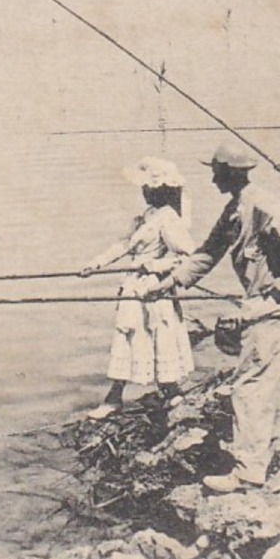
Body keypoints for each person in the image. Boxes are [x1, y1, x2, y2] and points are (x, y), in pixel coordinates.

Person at [154, 144, 280, 493]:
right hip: (274, 306)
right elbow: (209, 252)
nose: (212, 179)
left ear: (232, 173)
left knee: (248, 387)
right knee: (272, 382)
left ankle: (248, 471)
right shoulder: (237, 207)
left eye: (216, 172)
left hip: (267, 307)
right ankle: (271, 452)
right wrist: (172, 282)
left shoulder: (261, 205)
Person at [78, 157, 197, 419]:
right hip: (134, 288)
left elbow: (188, 256)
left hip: (155, 290)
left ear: (159, 189)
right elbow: (124, 245)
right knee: (128, 337)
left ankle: (161, 391)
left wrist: (155, 266)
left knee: (157, 337)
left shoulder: (168, 219)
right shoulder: (146, 217)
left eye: (147, 188)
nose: (143, 192)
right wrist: (95, 264)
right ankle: (120, 396)